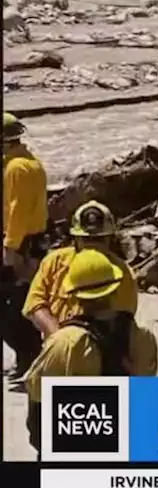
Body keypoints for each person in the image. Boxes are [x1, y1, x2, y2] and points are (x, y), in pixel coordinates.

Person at [24, 249, 158, 456]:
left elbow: (38, 409)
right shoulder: (144, 338)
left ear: (74, 294)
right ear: (115, 289)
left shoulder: (65, 342)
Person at [24, 201, 139, 339]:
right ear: (75, 239)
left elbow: (122, 323)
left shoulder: (124, 274)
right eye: (86, 239)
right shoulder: (54, 262)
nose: (93, 246)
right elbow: (34, 304)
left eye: (99, 239)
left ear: (110, 239)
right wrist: (60, 339)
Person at [3, 112, 48, 382]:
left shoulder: (16, 168)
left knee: (11, 306)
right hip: (30, 242)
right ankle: (26, 360)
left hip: (21, 245)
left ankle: (30, 359)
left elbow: (17, 212)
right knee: (21, 303)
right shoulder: (28, 162)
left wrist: (10, 248)